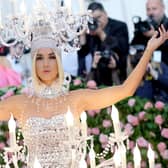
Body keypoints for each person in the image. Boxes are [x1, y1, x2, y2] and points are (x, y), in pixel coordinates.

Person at [0, 23, 168, 167]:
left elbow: (126, 90)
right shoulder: (20, 103)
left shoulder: (76, 98)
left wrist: (149, 50)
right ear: (33, 62)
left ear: (58, 61)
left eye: (51, 57)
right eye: (39, 58)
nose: (45, 64)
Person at [78, 2, 129, 85]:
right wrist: (82, 35)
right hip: (96, 77)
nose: (97, 21)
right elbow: (82, 53)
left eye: (99, 17)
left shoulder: (120, 26)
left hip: (117, 76)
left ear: (105, 13)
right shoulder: (91, 30)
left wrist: (101, 33)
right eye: (93, 19)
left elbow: (122, 49)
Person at [131, 0, 168, 66]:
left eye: (154, 9)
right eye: (148, 9)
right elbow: (133, 47)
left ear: (163, 8)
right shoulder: (143, 26)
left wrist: (155, 35)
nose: (151, 12)